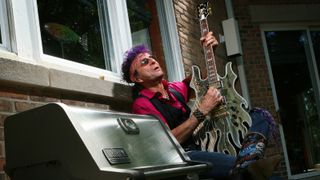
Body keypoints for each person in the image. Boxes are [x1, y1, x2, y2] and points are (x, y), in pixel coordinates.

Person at [121, 32, 281, 179]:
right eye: (144, 62)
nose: (153, 61)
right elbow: (167, 142)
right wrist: (202, 109)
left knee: (259, 116)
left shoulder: (173, 89)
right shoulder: (142, 104)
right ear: (137, 78)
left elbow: (202, 80)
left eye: (152, 58)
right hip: (183, 156)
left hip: (203, 144)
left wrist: (210, 51)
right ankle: (248, 164)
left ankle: (247, 161)